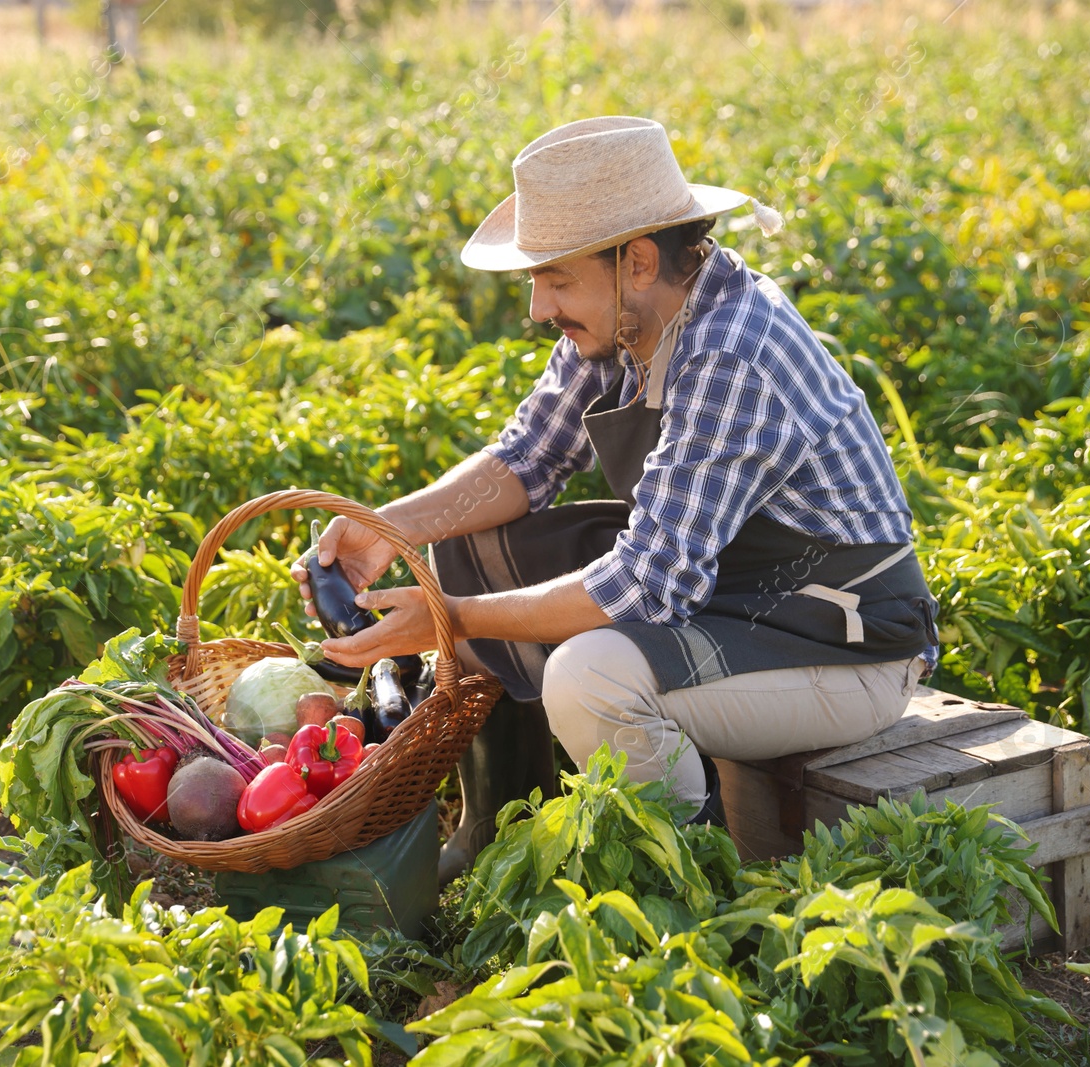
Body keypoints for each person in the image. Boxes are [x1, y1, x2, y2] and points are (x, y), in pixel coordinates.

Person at [292, 116, 939, 884]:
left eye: (556, 278)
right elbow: (525, 461)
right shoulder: (630, 321)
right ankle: (503, 831)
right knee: (462, 547)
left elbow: (646, 584)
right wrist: (386, 529)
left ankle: (694, 889)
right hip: (734, 597)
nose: (539, 306)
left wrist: (448, 620)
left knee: (589, 675)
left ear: (635, 261)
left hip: (840, 639)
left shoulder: (733, 351)